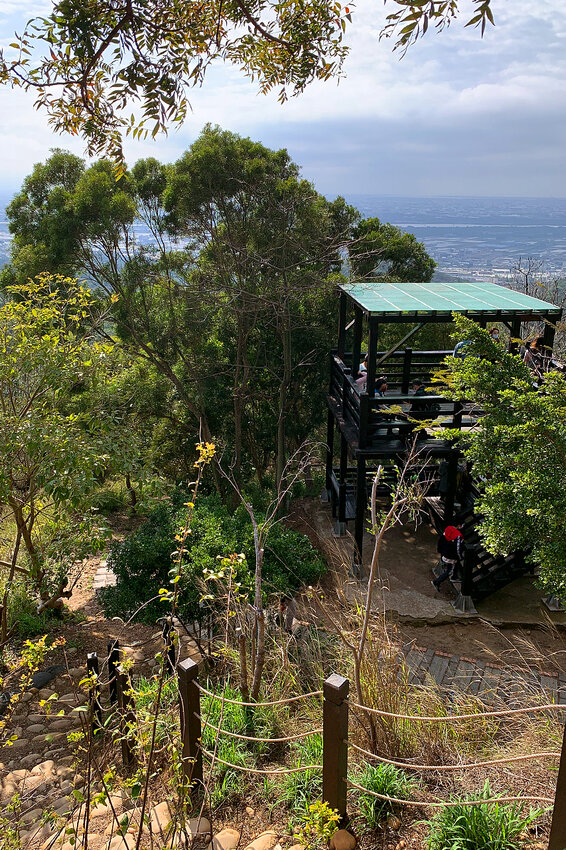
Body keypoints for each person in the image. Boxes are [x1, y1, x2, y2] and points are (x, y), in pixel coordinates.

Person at [432, 525, 465, 591]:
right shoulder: (458, 536)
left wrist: (440, 550)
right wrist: (460, 557)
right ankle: (436, 582)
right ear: (459, 525)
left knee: (455, 564)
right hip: (451, 556)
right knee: (450, 571)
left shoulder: (448, 528)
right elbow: (458, 549)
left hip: (444, 552)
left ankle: (455, 577)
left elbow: (441, 540)